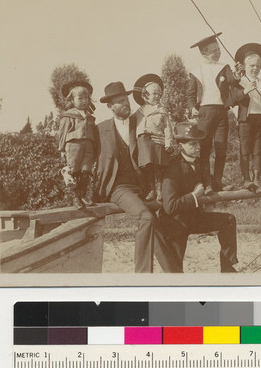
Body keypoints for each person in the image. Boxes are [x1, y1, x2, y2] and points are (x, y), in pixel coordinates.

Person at [93, 81, 173, 273]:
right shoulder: (99, 129)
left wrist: (165, 142)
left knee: (157, 227)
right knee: (146, 217)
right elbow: (86, 157)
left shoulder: (141, 121)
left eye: (126, 100)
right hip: (119, 187)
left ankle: (175, 274)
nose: (126, 104)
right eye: (120, 102)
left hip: (144, 186)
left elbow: (165, 143)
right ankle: (142, 275)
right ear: (110, 106)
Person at [157, 121, 239, 273]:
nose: (198, 148)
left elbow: (210, 181)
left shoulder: (200, 162)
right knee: (175, 272)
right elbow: (170, 206)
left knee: (228, 220)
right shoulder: (172, 168)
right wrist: (194, 196)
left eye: (198, 144)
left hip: (193, 218)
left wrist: (228, 188)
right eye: (192, 144)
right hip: (175, 224)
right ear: (181, 145)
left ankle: (228, 268)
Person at [187, 32, 236, 194]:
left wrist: (238, 72)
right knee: (205, 149)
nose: (218, 52)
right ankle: (206, 183)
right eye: (214, 50)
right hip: (205, 113)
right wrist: (192, 106)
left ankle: (218, 181)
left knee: (221, 148)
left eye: (219, 49)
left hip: (221, 111)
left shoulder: (224, 67)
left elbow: (233, 80)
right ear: (204, 53)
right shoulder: (196, 71)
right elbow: (190, 94)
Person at [230, 43, 261, 193]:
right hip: (245, 120)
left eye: (258, 66)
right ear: (244, 66)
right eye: (251, 65)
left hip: (259, 119)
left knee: (257, 151)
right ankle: (246, 179)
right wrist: (245, 90)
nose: (255, 68)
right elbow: (234, 98)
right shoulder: (240, 82)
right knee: (245, 150)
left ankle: (257, 178)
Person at [132, 74, 174, 202]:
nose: (157, 96)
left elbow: (168, 128)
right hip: (143, 141)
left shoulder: (162, 111)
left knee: (157, 166)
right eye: (154, 94)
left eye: (159, 94)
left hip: (156, 140)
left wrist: (168, 142)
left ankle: (159, 189)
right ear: (145, 95)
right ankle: (151, 189)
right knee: (147, 165)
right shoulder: (139, 111)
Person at [58, 77, 96, 209]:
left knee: (86, 171)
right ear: (72, 100)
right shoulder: (69, 116)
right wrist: (62, 149)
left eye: (86, 98)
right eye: (80, 98)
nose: (84, 101)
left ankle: (83, 195)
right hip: (74, 146)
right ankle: (75, 197)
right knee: (73, 171)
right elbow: (62, 133)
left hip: (88, 146)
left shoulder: (90, 117)